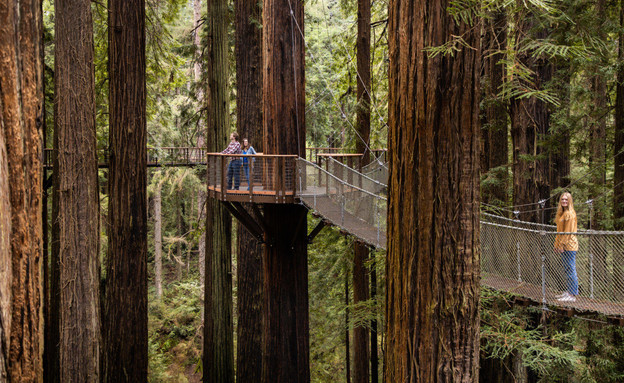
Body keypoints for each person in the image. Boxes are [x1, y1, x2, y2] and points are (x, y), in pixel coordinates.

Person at [554, 192, 579, 302]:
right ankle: (569, 291)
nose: (564, 201)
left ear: (570, 201)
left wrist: (561, 245)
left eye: (566, 199)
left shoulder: (569, 214)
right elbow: (560, 231)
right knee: (567, 269)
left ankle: (572, 294)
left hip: (569, 246)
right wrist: (557, 244)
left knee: (570, 269)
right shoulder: (563, 213)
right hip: (563, 245)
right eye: (562, 199)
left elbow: (567, 232)